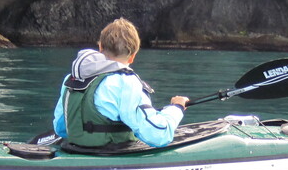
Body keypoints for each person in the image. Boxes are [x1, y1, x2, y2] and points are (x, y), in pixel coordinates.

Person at [52, 18, 189, 149]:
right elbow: (158, 135)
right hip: (110, 152)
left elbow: (61, 128)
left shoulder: (72, 78)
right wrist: (176, 108)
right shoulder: (125, 82)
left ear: (100, 47)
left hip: (75, 148)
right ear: (133, 56)